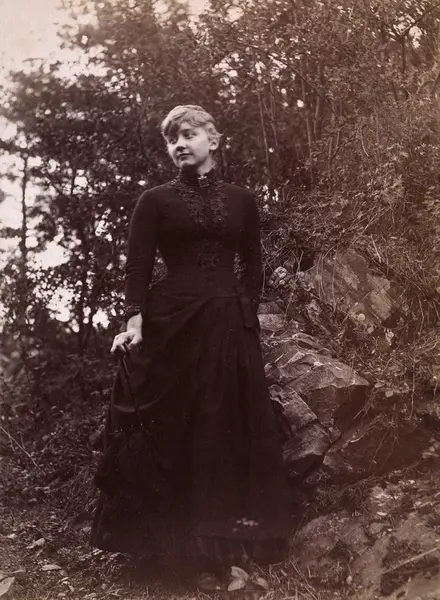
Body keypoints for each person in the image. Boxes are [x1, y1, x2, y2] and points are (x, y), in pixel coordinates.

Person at [91, 105, 291, 591]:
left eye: (188, 134)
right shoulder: (155, 201)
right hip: (172, 325)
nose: (179, 144)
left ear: (213, 140)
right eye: (171, 139)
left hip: (227, 325)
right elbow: (138, 267)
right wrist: (134, 321)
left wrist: (244, 314)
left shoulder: (243, 201)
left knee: (222, 432)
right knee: (175, 431)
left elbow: (253, 266)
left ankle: (225, 551)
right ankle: (172, 555)